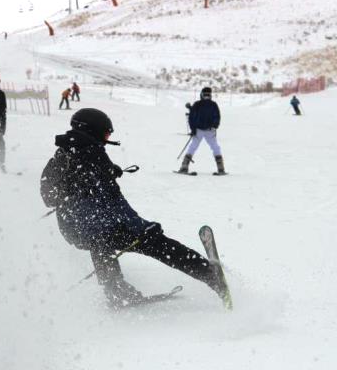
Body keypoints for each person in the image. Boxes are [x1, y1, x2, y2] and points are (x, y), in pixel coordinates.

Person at [39, 108, 228, 307]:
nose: (107, 138)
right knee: (156, 243)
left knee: (100, 244)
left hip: (74, 228)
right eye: (106, 133)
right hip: (97, 226)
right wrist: (142, 227)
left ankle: (116, 291)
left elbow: (50, 196)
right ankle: (209, 274)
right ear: (92, 131)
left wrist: (85, 185)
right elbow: (114, 204)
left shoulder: (66, 153)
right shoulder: (91, 155)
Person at [177, 87, 226, 175]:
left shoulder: (213, 105)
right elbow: (192, 118)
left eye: (208, 95)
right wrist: (193, 129)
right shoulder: (198, 104)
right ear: (202, 95)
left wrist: (215, 125)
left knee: (213, 147)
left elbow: (217, 117)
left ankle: (221, 168)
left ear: (210, 95)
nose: (207, 97)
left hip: (209, 131)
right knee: (196, 147)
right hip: (199, 130)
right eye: (205, 95)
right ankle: (184, 166)